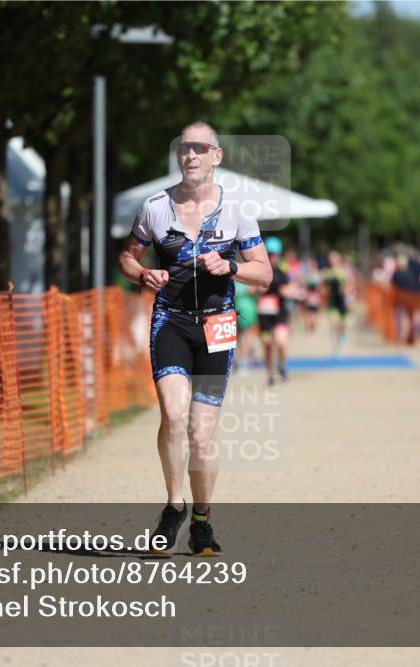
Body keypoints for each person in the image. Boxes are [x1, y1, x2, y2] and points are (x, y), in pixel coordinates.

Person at [118, 121, 272, 556]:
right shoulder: (155, 207)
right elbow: (127, 257)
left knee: (201, 434)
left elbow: (264, 273)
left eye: (200, 148)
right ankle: (174, 506)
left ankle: (202, 520)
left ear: (216, 156)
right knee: (173, 413)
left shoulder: (237, 210)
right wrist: (143, 274)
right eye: (185, 148)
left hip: (218, 325)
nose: (191, 155)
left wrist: (232, 267)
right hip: (171, 320)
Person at [256, 236, 295, 385]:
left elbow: (291, 286)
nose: (272, 257)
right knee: (267, 345)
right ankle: (270, 374)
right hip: (264, 313)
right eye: (270, 254)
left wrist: (287, 290)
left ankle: (282, 366)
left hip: (280, 312)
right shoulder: (260, 270)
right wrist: (257, 289)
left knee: (280, 342)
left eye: (275, 254)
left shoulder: (284, 270)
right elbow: (254, 288)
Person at [324, 250, 351, 355]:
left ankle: (343, 334)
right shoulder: (327, 272)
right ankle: (335, 349)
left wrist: (346, 289)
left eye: (334, 259)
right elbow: (324, 286)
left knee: (342, 325)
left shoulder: (344, 272)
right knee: (334, 324)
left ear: (338, 260)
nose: (332, 261)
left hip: (342, 301)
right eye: (331, 259)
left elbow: (350, 285)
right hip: (332, 301)